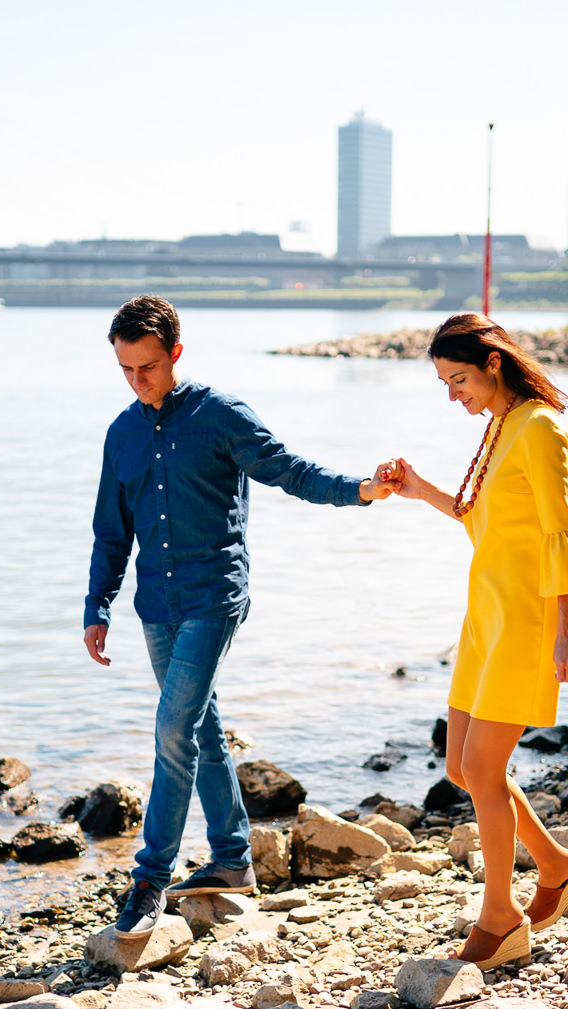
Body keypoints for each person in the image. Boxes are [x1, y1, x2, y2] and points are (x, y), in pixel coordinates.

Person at [85, 295, 401, 943]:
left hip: (214, 598)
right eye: (124, 369)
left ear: (175, 353)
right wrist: (98, 604)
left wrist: (360, 489)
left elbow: (288, 471)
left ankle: (149, 876)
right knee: (199, 728)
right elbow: (110, 532)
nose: (137, 381)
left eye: (146, 366)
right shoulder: (121, 433)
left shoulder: (220, 416)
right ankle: (232, 860)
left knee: (173, 729)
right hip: (156, 606)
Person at [387, 314, 568, 970]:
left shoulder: (540, 429)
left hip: (528, 621)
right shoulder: (501, 428)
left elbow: (562, 533)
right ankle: (558, 867)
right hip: (485, 619)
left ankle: (500, 915)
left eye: (459, 379)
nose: (454, 395)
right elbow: (484, 521)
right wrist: (419, 489)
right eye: (445, 383)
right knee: (461, 766)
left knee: (481, 769)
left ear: (494, 365)